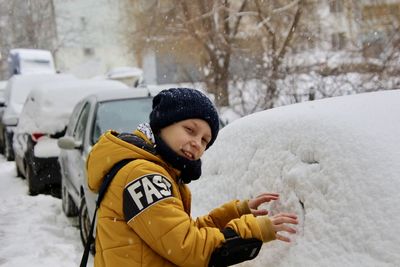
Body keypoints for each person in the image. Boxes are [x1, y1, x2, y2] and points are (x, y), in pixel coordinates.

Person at [86, 88, 298, 267]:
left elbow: (176, 233)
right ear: (163, 124)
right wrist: (254, 230)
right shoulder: (143, 176)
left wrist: (236, 212)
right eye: (190, 130)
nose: (197, 143)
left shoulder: (156, 170)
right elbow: (188, 247)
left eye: (205, 140)